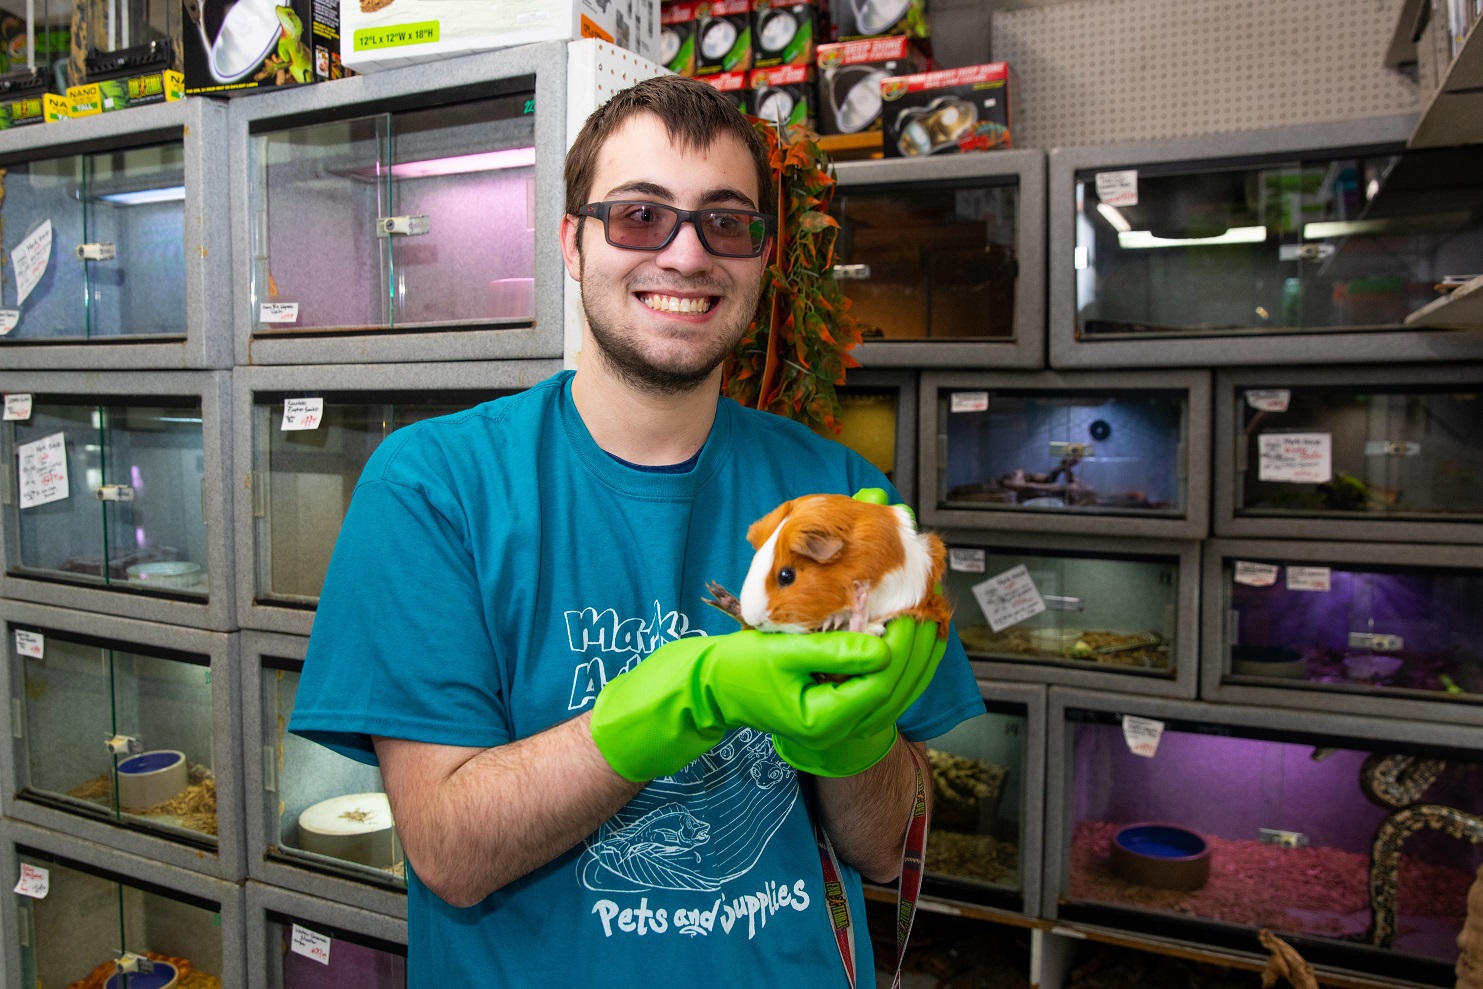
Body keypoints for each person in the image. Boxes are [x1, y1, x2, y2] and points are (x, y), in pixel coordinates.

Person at [289, 73, 982, 987]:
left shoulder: (836, 491)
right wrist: (685, 695)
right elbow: (449, 850)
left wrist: (849, 744)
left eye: (726, 222)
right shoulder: (435, 485)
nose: (688, 255)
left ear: (763, 257)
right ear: (573, 243)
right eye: (640, 216)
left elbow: (892, 846)